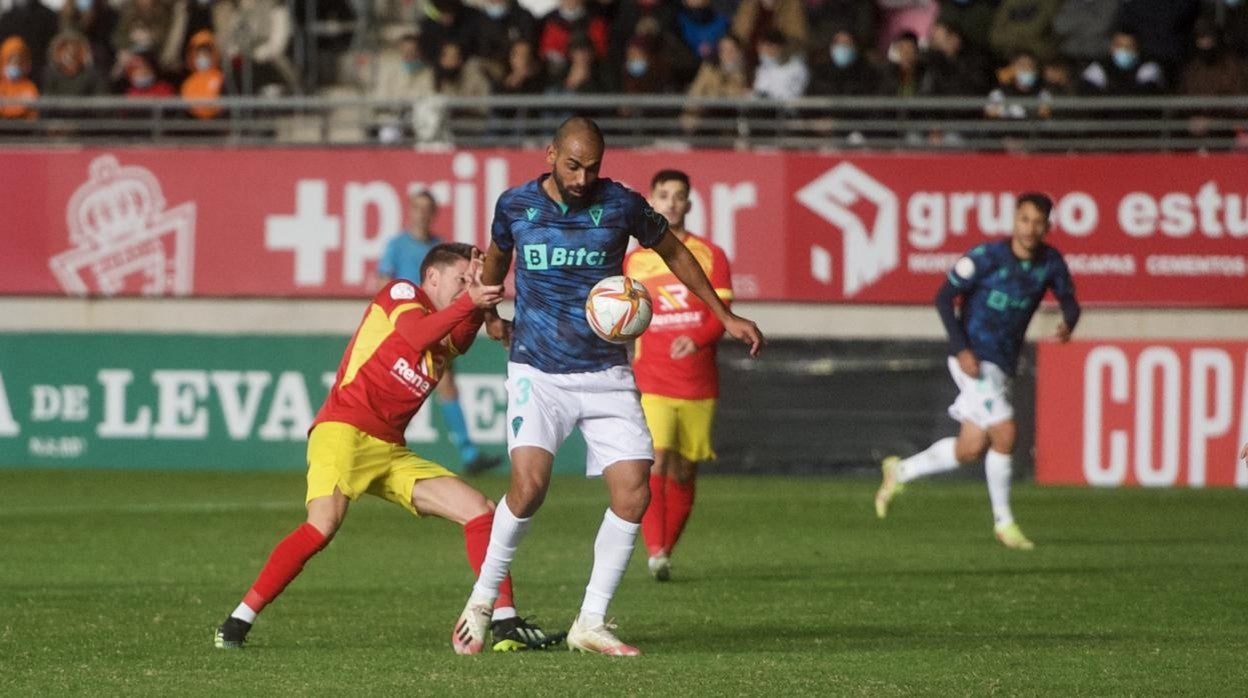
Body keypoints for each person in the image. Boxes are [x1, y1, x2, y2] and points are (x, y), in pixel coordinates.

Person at [452, 116, 764, 657]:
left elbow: (675, 252)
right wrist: (491, 316)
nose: (581, 177)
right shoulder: (515, 205)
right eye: (572, 165)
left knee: (634, 490)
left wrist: (725, 315)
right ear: (551, 154)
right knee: (528, 488)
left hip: (606, 372)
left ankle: (590, 621)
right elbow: (497, 258)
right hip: (538, 369)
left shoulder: (620, 204)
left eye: (592, 167)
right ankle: (481, 602)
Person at [215, 243, 562, 652]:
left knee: (480, 510)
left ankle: (504, 622)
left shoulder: (446, 324)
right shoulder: (401, 294)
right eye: (458, 279)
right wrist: (472, 300)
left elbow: (460, 338)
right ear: (432, 277)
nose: (462, 287)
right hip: (343, 429)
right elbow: (415, 336)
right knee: (323, 524)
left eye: (467, 281)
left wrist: (483, 295)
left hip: (389, 449)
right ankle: (237, 621)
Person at [874, 192, 1080, 551]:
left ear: (1047, 226)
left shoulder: (1050, 263)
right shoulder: (987, 258)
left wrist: (1069, 324)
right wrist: (961, 348)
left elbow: (1071, 303)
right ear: (1014, 220)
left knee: (971, 448)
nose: (1030, 228)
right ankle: (1004, 522)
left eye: (1037, 222)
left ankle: (900, 471)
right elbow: (943, 297)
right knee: (1005, 432)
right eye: (1024, 219)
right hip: (972, 358)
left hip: (1001, 363)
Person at [623, 169, 732, 582]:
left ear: (689, 204)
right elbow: (621, 313)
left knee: (685, 469)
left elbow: (721, 316)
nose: (671, 202)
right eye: (664, 195)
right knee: (657, 459)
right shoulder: (633, 259)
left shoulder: (711, 255)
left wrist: (698, 339)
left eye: (679, 196)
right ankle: (654, 552)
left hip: (698, 382)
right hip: (652, 378)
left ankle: (666, 548)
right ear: (652, 200)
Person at [377, 192, 502, 476]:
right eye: (417, 208)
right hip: (406, 325)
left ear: (433, 213)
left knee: (444, 384)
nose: (422, 214)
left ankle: (468, 453)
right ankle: (464, 451)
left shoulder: (439, 249)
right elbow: (384, 282)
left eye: (427, 209)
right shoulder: (396, 245)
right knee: (405, 385)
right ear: (409, 211)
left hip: (436, 324)